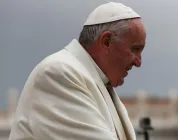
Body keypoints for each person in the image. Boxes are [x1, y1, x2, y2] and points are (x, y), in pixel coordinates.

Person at [9, 2, 146, 140]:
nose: (138, 62)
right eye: (135, 49)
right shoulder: (58, 73)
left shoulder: (95, 80)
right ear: (106, 42)